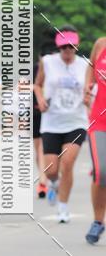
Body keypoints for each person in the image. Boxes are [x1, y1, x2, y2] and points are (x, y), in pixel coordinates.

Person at [34, 26, 88, 223]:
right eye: (64, 46)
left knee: (67, 163)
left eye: (71, 46)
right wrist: (40, 99)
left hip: (76, 122)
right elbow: (37, 84)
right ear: (58, 46)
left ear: (76, 46)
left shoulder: (85, 65)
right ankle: (54, 184)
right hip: (52, 123)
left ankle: (63, 207)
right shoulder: (48, 62)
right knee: (51, 171)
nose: (67, 50)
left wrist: (88, 96)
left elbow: (91, 87)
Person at [84, 35, 106, 244]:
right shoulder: (100, 44)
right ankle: (98, 221)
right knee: (102, 172)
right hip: (100, 121)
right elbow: (91, 67)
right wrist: (87, 86)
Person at [32, 53, 49, 198]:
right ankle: (43, 176)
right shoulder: (34, 69)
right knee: (38, 150)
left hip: (50, 115)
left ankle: (44, 181)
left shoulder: (57, 69)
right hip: (35, 113)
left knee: (43, 149)